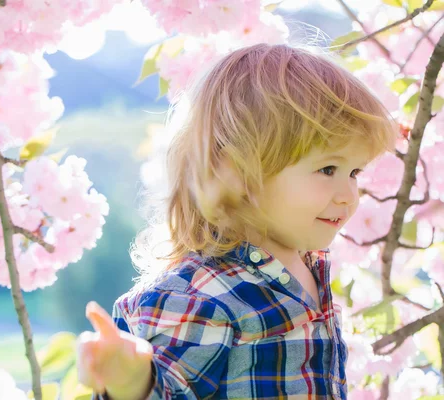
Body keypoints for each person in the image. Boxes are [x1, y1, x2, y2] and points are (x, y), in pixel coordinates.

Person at [76, 43, 398, 400]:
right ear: (239, 173)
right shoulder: (200, 299)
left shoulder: (304, 268)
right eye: (327, 169)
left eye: (354, 172)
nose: (348, 195)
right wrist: (132, 381)